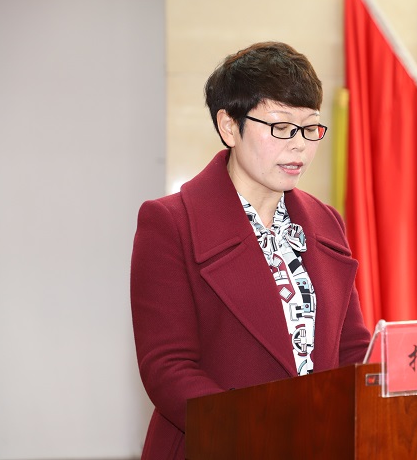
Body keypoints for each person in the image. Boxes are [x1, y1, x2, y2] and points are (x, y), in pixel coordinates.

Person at [130, 41, 371, 459]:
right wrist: (255, 430)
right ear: (229, 126)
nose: (299, 145)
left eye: (310, 127)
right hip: (219, 445)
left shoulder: (325, 222)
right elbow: (167, 367)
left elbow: (351, 350)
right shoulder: (170, 222)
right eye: (281, 127)